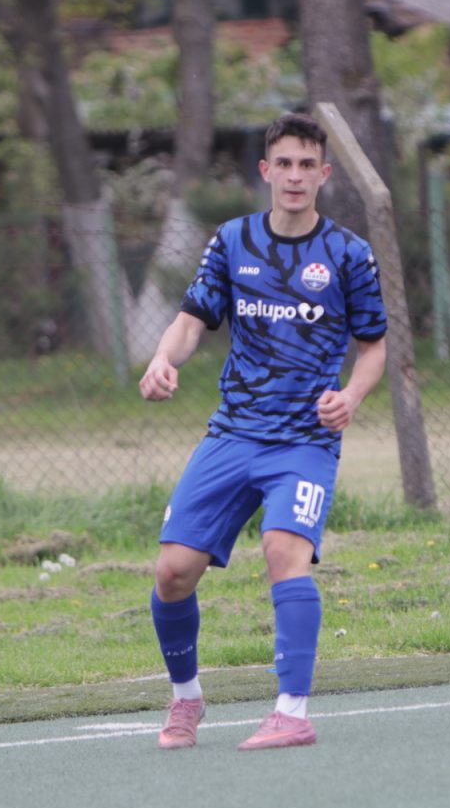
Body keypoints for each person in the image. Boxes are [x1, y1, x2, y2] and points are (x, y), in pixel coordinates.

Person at [138, 112, 388, 751]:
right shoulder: (233, 241)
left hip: (304, 440)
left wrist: (351, 397)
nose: (295, 176)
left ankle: (291, 712)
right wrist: (164, 358)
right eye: (285, 164)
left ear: (324, 174)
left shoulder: (349, 254)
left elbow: (374, 347)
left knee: (283, 551)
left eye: (307, 165)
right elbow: (191, 321)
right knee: (172, 572)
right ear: (266, 171)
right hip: (233, 433)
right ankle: (186, 700)